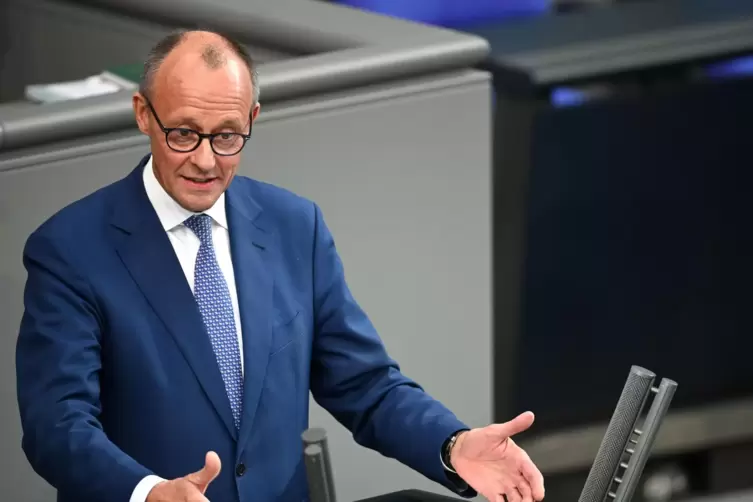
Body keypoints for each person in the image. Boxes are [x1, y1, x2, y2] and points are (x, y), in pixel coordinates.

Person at [15, 30, 545, 502]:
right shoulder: (70, 250)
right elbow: (57, 427)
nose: (204, 160)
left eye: (226, 136)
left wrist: (450, 445)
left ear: (252, 120)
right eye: (183, 134)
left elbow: (365, 384)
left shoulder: (295, 226)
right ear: (142, 114)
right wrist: (148, 493)